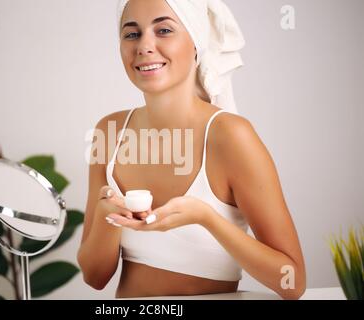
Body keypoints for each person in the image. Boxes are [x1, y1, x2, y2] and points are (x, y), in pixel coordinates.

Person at [77, 0, 306, 299]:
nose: (145, 45)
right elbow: (94, 277)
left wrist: (206, 218)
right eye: (132, 34)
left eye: (164, 30)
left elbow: (293, 281)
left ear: (196, 44)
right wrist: (108, 217)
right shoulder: (110, 132)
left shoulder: (231, 137)